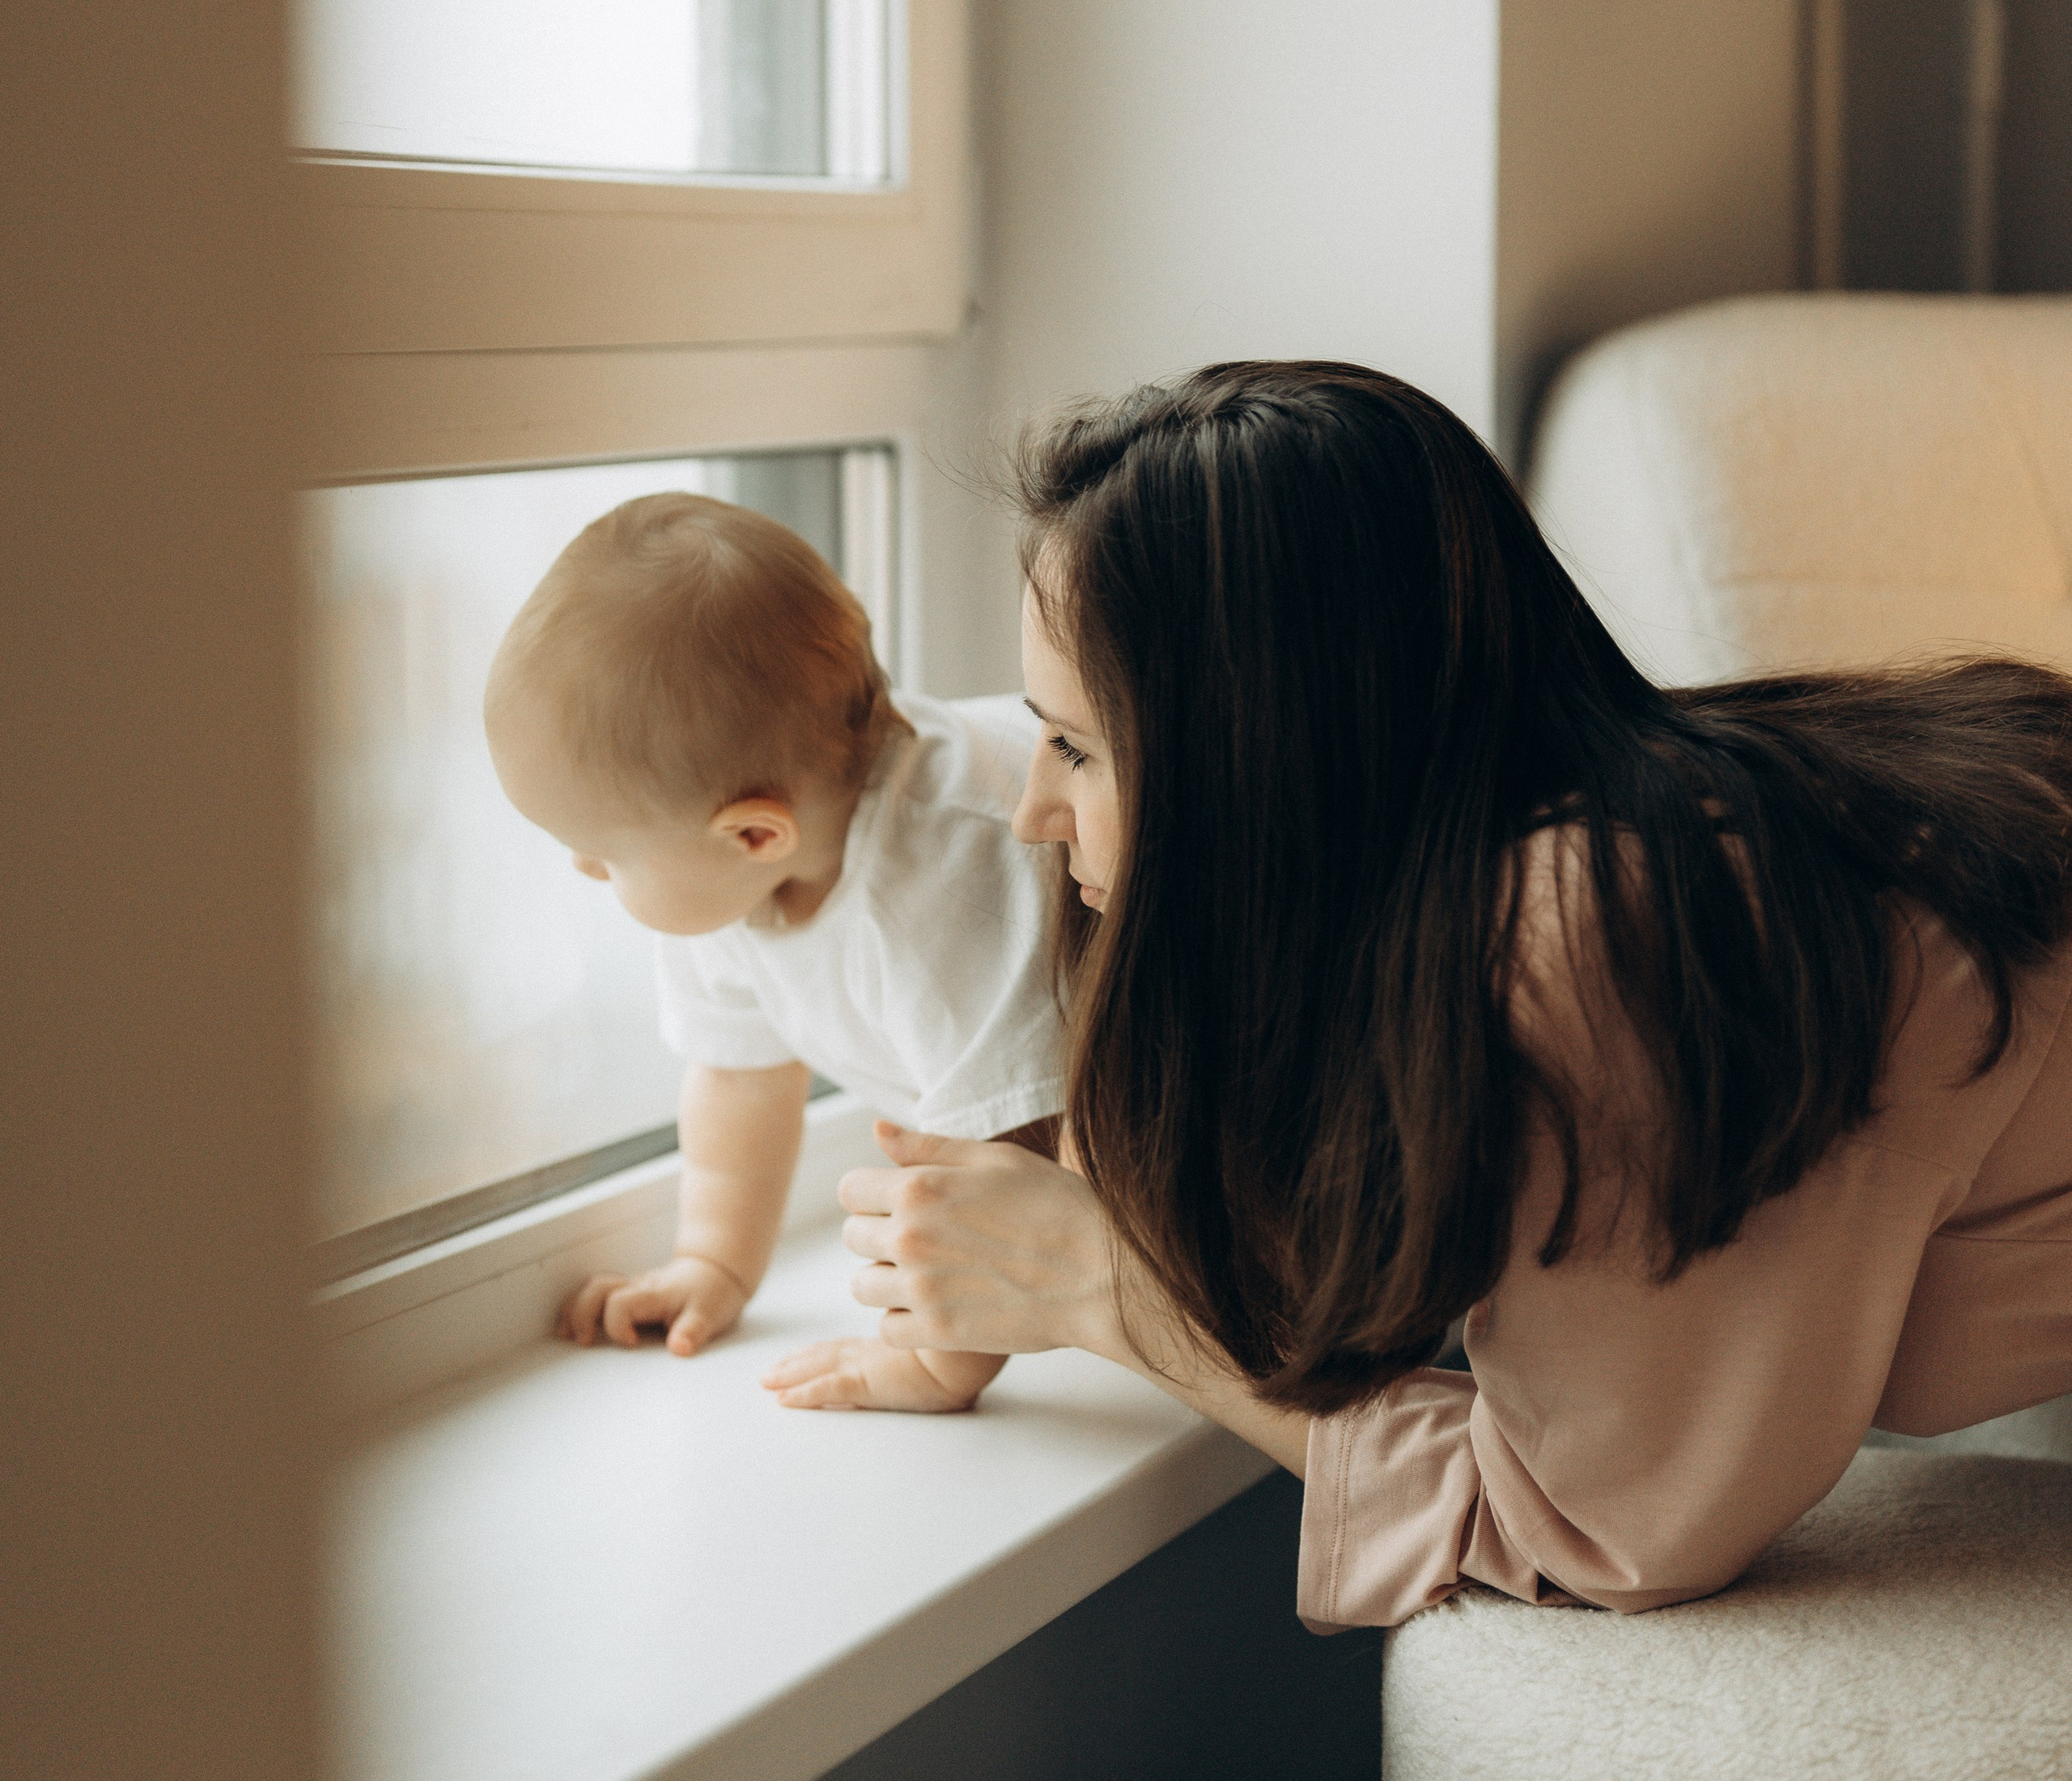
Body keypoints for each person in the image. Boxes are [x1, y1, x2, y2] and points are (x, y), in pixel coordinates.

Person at [823, 360, 2072, 1622]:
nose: (1035, 812)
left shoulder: (1601, 940)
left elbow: (1596, 1532)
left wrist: (1105, 1292)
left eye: (1079, 747)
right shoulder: (1591, 840)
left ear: (1265, 766)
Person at [484, 491, 1062, 1413]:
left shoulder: (942, 878)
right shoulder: (735, 879)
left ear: (753, 835)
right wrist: (713, 1261)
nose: (585, 873)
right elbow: (741, 1082)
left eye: (603, 859)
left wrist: (932, 1362)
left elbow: (1009, 1156)